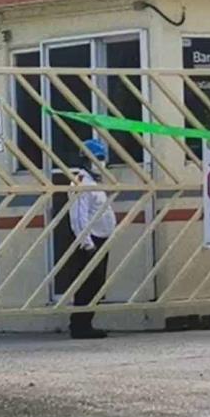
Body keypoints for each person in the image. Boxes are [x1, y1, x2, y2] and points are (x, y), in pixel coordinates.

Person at [67, 137, 117, 339]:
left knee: (96, 285)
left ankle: (87, 323)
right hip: (90, 243)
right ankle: (80, 326)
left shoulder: (94, 183)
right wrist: (87, 243)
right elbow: (79, 217)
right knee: (87, 284)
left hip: (100, 240)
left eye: (102, 158)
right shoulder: (82, 183)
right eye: (97, 158)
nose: (101, 162)